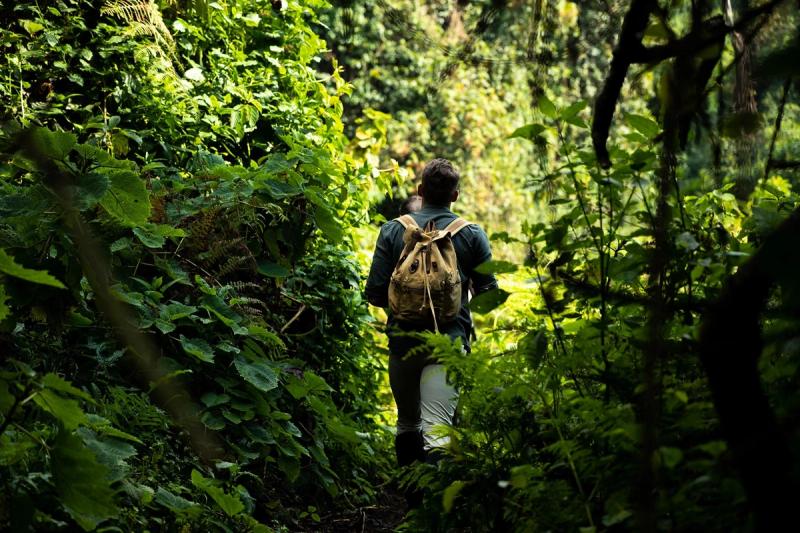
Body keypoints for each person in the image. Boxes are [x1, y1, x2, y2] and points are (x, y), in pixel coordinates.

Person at [365, 158, 498, 503]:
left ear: (420, 191)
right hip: (449, 345)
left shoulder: (394, 230)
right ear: (455, 194)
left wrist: (407, 309)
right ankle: (437, 511)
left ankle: (411, 508)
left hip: (404, 344)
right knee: (438, 430)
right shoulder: (471, 234)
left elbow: (375, 293)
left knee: (408, 423)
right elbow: (490, 293)